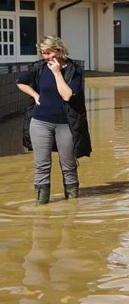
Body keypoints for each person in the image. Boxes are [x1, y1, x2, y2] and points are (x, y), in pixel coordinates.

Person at [16, 36, 92, 204]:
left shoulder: (74, 70)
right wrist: (35, 95)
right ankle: (41, 207)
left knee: (69, 165)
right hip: (40, 123)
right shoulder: (39, 68)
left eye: (49, 53)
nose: (46, 57)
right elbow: (20, 82)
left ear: (59, 51)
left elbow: (66, 95)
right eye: (43, 53)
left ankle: (72, 208)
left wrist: (57, 73)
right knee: (41, 166)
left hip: (66, 124)